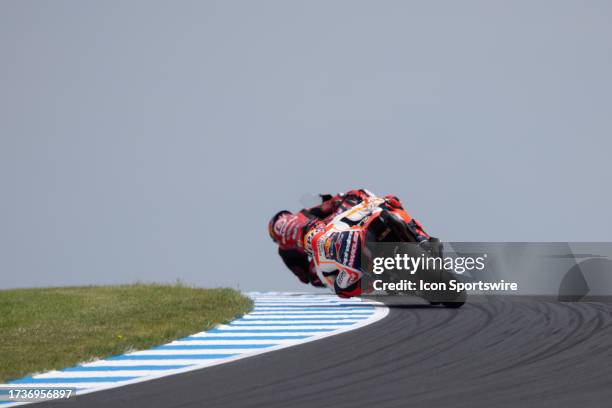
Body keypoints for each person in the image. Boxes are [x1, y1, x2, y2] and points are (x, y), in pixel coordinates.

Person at [268, 189, 431, 297]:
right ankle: (423, 238)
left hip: (335, 231)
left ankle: (418, 239)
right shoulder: (304, 214)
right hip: (343, 220)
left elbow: (306, 277)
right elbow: (331, 201)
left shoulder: (285, 247)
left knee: (389, 203)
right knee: (390, 201)